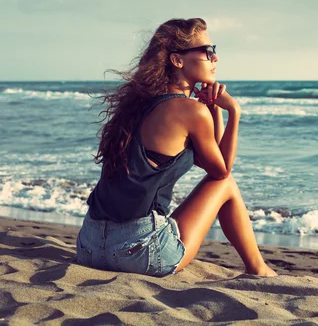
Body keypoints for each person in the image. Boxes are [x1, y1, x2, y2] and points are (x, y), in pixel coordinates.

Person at [76, 18, 277, 277]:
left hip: (89, 246)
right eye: (208, 51)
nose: (215, 58)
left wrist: (213, 107)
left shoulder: (140, 104)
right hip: (135, 252)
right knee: (226, 184)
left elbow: (208, 160)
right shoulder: (189, 110)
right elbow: (221, 171)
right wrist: (234, 112)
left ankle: (257, 267)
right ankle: (258, 268)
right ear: (177, 60)